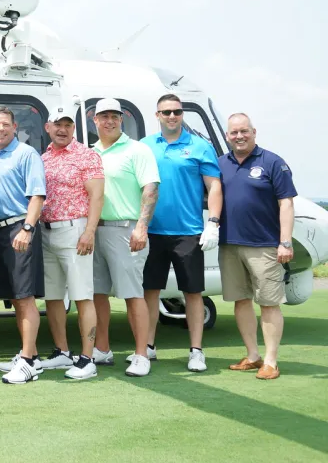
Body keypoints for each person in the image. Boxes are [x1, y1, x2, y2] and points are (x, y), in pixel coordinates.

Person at [140, 94, 222, 372]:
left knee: (193, 293)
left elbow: (214, 187)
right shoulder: (145, 146)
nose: (172, 116)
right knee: (149, 292)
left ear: (182, 114)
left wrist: (213, 222)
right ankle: (148, 348)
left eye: (176, 112)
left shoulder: (200, 146)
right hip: (152, 231)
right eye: (166, 112)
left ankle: (196, 351)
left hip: (189, 232)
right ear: (157, 115)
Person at [217, 113, 297, 380]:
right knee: (241, 301)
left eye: (244, 131)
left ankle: (271, 362)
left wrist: (285, 242)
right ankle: (252, 355)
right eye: (234, 132)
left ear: (254, 131)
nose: (239, 136)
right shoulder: (220, 163)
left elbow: (286, 203)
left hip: (264, 245)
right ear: (227, 135)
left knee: (269, 303)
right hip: (229, 244)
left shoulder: (272, 162)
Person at [90, 98, 160, 377]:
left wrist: (141, 227)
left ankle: (141, 354)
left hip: (126, 230)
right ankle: (102, 349)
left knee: (132, 294)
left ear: (122, 119)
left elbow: (151, 189)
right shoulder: (90, 152)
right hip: (95, 230)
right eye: (103, 116)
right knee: (97, 293)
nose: (109, 121)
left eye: (114, 116)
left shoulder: (137, 150)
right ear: (94, 121)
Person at [39, 110, 105, 381]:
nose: (62, 129)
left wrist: (89, 232)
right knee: (53, 296)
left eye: (67, 125)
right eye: (57, 125)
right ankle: (62, 352)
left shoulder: (87, 155)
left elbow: (97, 197)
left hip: (75, 230)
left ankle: (87, 358)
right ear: (48, 127)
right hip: (46, 232)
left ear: (73, 128)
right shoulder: (42, 158)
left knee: (82, 295)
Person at [0, 107, 47, 385]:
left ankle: (26, 363)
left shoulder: (26, 153)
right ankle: (30, 356)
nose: (0, 129)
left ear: (14, 127)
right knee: (15, 297)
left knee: (25, 297)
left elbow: (37, 195)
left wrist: (27, 228)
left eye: (5, 124)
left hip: (19, 228)